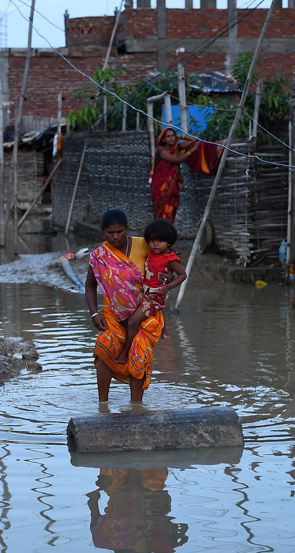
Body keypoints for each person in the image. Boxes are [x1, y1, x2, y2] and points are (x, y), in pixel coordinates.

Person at [85, 208, 169, 403]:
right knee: (104, 349)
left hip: (144, 313)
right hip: (113, 314)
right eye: (110, 233)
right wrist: (94, 314)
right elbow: (90, 286)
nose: (115, 237)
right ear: (102, 231)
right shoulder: (99, 256)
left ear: (127, 229)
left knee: (138, 358)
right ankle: (102, 405)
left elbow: (166, 265)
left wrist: (169, 277)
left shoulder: (144, 245)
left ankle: (136, 408)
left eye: (120, 232)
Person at [115, 219, 186, 364]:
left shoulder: (170, 259)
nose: (155, 244)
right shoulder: (151, 252)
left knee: (132, 322)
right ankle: (164, 332)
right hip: (146, 292)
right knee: (151, 311)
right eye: (152, 240)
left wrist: (169, 285)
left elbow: (183, 275)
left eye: (160, 241)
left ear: (169, 242)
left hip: (155, 295)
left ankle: (125, 352)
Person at [150, 127, 223, 223]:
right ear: (163, 140)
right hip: (161, 187)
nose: (171, 138)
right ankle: (161, 234)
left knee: (171, 210)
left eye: (173, 136)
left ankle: (167, 234)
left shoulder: (176, 148)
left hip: (172, 186)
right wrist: (192, 150)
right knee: (162, 212)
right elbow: (177, 160)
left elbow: (195, 139)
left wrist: (179, 136)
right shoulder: (160, 150)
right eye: (168, 136)